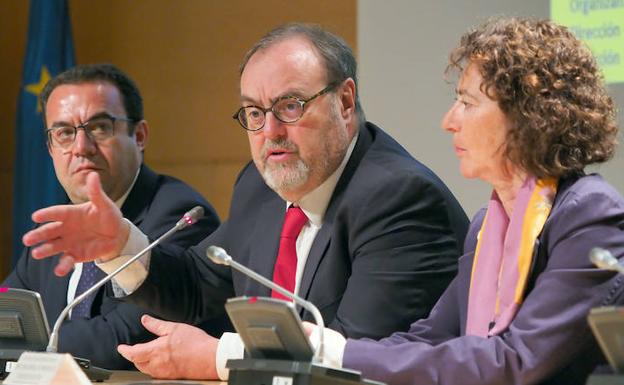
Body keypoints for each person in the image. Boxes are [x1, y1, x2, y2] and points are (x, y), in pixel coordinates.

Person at [22, 24, 469, 380]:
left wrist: (219, 357)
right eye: (254, 113)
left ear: (346, 101)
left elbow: (356, 360)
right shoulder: (260, 186)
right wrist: (122, 245)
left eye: (290, 106)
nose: (270, 131)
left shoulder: (400, 199)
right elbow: (199, 288)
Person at [308, 17, 624, 385]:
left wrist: (340, 354)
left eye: (467, 102)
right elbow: (428, 338)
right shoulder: (487, 225)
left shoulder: (589, 216)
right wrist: (326, 353)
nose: (449, 121)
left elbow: (515, 361)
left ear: (528, 117)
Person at [3, 63, 220, 369]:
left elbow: (126, 338)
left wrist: (25, 348)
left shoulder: (180, 215)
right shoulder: (58, 227)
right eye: (64, 133)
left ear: (140, 136)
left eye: (99, 127)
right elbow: (8, 313)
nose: (81, 147)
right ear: (50, 147)